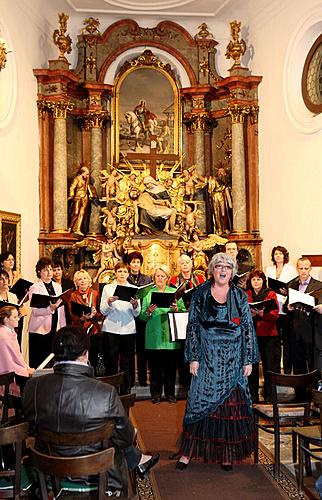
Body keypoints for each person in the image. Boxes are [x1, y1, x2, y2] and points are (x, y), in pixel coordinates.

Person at [22, 326, 160, 497]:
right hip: (96, 473)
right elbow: (125, 438)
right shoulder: (106, 392)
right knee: (119, 438)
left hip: (48, 471)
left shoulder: (32, 387)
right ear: (86, 354)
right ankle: (137, 463)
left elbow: (32, 428)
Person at [176, 252, 258, 471]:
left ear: (232, 272)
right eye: (219, 266)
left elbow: (247, 328)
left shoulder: (239, 295)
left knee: (229, 407)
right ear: (212, 270)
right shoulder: (201, 293)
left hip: (233, 357)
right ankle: (188, 452)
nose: (223, 270)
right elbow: (192, 326)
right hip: (206, 356)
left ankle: (227, 453)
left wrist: (248, 359)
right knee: (198, 402)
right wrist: (193, 357)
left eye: (228, 267)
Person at [140, 265, 185, 404]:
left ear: (167, 278)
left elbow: (183, 312)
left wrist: (176, 309)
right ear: (154, 278)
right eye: (157, 276)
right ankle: (156, 394)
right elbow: (142, 316)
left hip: (170, 335)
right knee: (155, 368)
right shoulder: (149, 294)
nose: (160, 278)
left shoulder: (174, 292)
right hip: (154, 336)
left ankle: (170, 394)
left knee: (171, 367)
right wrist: (148, 311)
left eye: (162, 276)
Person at [100, 262, 140, 394]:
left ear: (128, 274)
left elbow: (137, 313)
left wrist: (135, 305)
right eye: (119, 271)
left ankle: (125, 389)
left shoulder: (133, 288)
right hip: (111, 328)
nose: (122, 274)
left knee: (126, 361)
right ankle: (110, 389)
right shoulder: (108, 288)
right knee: (111, 360)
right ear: (115, 273)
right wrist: (109, 302)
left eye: (124, 272)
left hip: (128, 329)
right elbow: (103, 310)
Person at [170, 254, 205, 387]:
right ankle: (185, 380)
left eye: (187, 262)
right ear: (178, 266)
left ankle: (197, 379)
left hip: (197, 317)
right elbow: (171, 296)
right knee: (183, 348)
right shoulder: (173, 280)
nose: (185, 265)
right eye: (182, 263)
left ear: (191, 264)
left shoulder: (200, 278)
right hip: (180, 316)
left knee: (197, 347)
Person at [246, 270, 280, 403]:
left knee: (269, 366)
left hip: (268, 334)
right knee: (252, 367)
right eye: (253, 279)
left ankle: (270, 396)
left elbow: (275, 315)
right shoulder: (247, 294)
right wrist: (250, 314)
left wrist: (262, 314)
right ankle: (253, 396)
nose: (256, 282)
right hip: (252, 334)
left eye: (258, 279)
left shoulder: (270, 294)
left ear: (263, 281)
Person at [28, 257, 66, 368]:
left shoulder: (58, 286)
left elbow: (61, 309)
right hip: (39, 330)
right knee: (39, 361)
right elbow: (35, 311)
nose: (50, 272)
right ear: (39, 272)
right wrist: (50, 309)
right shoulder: (34, 287)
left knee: (52, 359)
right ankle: (37, 384)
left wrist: (62, 328)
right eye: (45, 270)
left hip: (55, 328)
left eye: (51, 269)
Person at [287, 257, 322, 377]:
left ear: (310, 269)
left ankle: (313, 392)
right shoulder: (292, 284)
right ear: (297, 269)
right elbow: (287, 305)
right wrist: (288, 307)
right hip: (296, 329)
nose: (303, 271)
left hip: (312, 329)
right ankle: (300, 393)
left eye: (306, 268)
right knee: (298, 364)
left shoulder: (318, 285)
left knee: (313, 363)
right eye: (300, 268)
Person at [266, 245, 297, 374]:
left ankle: (288, 370)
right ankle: (276, 370)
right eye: (276, 254)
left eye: (280, 254)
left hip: (286, 308)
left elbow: (295, 287)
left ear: (285, 256)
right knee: (275, 342)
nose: (278, 256)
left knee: (288, 341)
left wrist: (286, 291)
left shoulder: (290, 269)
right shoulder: (269, 269)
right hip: (274, 308)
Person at [69, 270, 103, 374]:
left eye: (84, 278)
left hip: (93, 330)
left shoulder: (95, 293)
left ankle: (94, 377)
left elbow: (101, 313)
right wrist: (82, 318)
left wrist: (95, 314)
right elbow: (72, 314)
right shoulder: (73, 295)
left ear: (89, 281)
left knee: (93, 356)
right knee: (80, 356)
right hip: (79, 331)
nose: (82, 281)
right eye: (79, 279)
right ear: (76, 282)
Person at [127, 251, 152, 387]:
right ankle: (130, 379)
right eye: (133, 262)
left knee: (142, 349)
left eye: (137, 262)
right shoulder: (126, 278)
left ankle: (143, 379)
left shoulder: (146, 279)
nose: (135, 264)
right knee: (130, 349)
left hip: (142, 316)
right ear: (129, 264)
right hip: (129, 316)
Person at [0, 306, 34, 395]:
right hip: (7, 375)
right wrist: (26, 370)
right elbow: (9, 362)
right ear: (6, 319)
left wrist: (26, 367)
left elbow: (17, 356)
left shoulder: (10, 332)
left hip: (14, 369)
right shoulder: (3, 336)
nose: (18, 319)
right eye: (15, 317)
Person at [68, 165, 90, 236]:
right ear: (82, 173)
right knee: (76, 213)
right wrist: (71, 195)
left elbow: (87, 187)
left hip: (85, 197)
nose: (87, 176)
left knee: (82, 213)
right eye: (86, 174)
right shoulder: (77, 179)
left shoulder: (85, 180)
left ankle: (78, 229)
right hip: (78, 197)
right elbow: (72, 187)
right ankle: (70, 228)